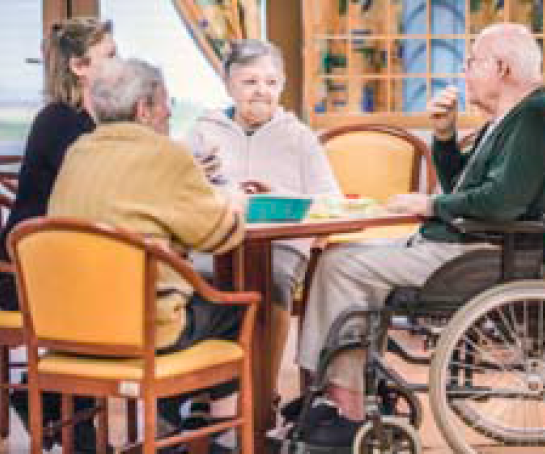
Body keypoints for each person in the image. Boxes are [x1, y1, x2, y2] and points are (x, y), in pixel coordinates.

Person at [294, 22, 545, 448]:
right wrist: (444, 136)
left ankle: (341, 403)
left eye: (472, 61)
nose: (466, 71)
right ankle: (340, 393)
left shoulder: (536, 117)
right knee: (345, 255)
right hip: (473, 243)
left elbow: (501, 204)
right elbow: (465, 193)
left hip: (486, 252)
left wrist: (429, 205)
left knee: (340, 265)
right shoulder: (510, 118)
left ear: (502, 67)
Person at [47, 57, 246, 454]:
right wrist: (235, 203)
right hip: (141, 334)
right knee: (234, 307)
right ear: (144, 109)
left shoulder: (77, 153)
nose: (170, 111)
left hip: (68, 330)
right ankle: (219, 437)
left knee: (187, 301)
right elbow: (219, 235)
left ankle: (171, 428)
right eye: (165, 101)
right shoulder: (165, 156)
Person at [184, 39, 340, 394]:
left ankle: (262, 396)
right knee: (193, 282)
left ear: (282, 85)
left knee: (271, 282)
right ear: (228, 84)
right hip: (217, 242)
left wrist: (282, 200)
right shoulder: (203, 132)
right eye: (250, 82)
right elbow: (178, 196)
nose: (261, 92)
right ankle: (206, 396)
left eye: (271, 83)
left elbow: (330, 200)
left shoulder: (299, 137)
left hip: (281, 248)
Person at [0, 17, 117, 453]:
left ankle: (57, 410)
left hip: (67, 259)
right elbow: (96, 191)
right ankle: (67, 420)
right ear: (79, 67)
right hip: (24, 271)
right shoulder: (59, 122)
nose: (119, 64)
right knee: (116, 298)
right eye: (110, 55)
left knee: (117, 289)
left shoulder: (94, 119)